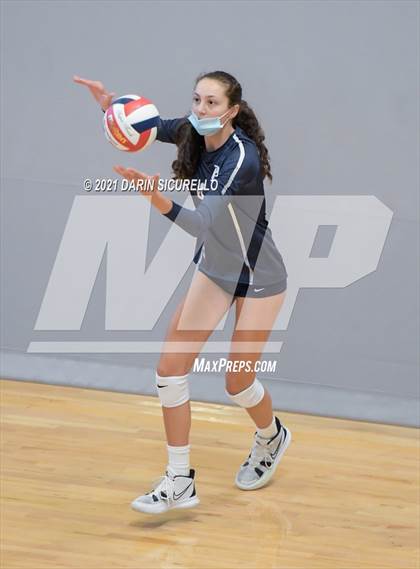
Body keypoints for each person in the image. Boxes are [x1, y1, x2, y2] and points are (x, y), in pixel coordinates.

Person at [74, 71, 292, 515]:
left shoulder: (240, 159)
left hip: (258, 275)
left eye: (212, 103)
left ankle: (271, 436)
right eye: (197, 100)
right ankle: (179, 480)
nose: (200, 110)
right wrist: (111, 109)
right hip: (216, 267)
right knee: (170, 369)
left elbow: (199, 223)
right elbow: (148, 126)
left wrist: (156, 198)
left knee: (238, 381)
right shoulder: (193, 130)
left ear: (231, 111)